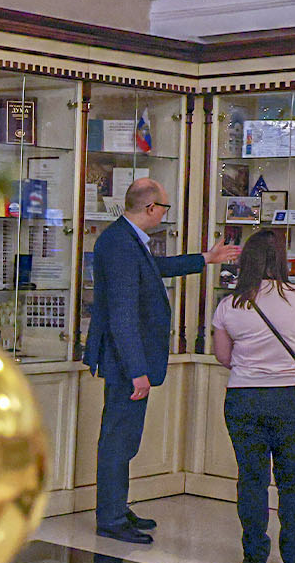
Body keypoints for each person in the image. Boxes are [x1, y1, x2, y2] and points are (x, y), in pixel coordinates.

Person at [84, 178, 239, 543]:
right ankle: (111, 517)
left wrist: (206, 259)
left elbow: (155, 268)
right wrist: (136, 371)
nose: (166, 214)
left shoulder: (127, 238)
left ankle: (117, 507)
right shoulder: (120, 243)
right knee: (118, 441)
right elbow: (122, 315)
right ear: (151, 208)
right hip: (126, 363)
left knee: (124, 439)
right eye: (165, 207)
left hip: (130, 360)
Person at [211, 229, 295, 563]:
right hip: (293, 398)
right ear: (283, 260)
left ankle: (254, 555)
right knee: (294, 478)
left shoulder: (230, 304)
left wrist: (252, 368)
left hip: (245, 397)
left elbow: (222, 355)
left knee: (251, 478)